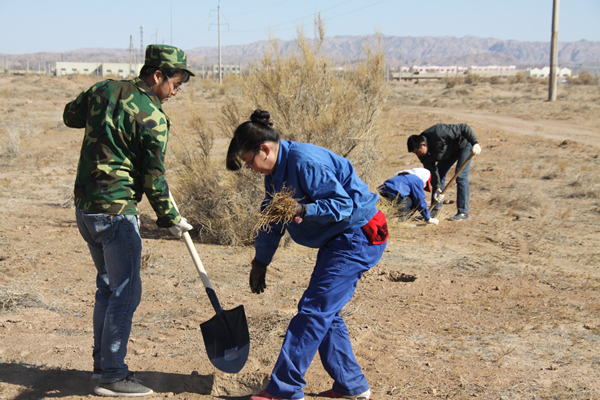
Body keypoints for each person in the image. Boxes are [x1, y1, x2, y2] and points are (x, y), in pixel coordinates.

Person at [226, 110, 388, 400]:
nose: (250, 169)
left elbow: (343, 205)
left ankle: (285, 390)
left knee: (313, 311)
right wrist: (261, 262)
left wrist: (305, 209)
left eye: (249, 161)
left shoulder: (304, 162)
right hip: (340, 238)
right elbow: (273, 217)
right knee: (324, 311)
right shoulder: (275, 173)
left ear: (265, 149)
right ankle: (352, 385)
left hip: (357, 235)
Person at [63, 44, 194, 397]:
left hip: (86, 210)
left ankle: (101, 365)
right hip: (116, 214)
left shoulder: (103, 89)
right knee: (125, 293)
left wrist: (105, 122)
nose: (175, 92)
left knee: (108, 287)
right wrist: (171, 218)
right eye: (175, 84)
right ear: (157, 76)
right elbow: (154, 177)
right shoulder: (153, 117)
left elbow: (70, 116)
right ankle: (113, 376)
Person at [406, 123, 482, 221]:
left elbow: (464, 127)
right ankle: (435, 210)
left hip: (464, 145)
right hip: (448, 153)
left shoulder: (438, 132)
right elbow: (433, 172)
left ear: (423, 145)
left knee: (460, 176)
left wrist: (475, 143)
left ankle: (463, 212)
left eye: (418, 152)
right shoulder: (422, 155)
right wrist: (437, 188)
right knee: (439, 174)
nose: (418, 155)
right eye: (415, 153)